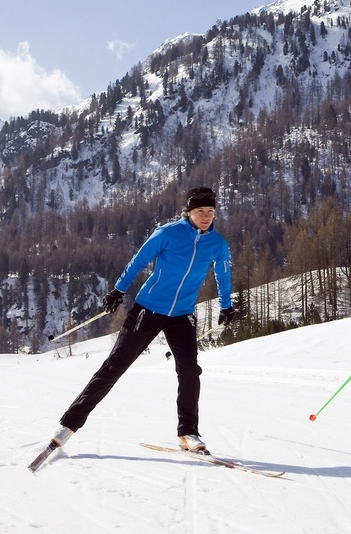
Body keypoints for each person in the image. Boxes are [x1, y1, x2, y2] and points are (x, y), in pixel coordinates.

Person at [45, 186, 239, 454]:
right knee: (115, 366)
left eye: (210, 211)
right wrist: (118, 290)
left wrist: (226, 306)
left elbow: (223, 275)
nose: (206, 216)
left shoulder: (217, 244)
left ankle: (188, 432)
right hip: (148, 310)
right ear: (189, 212)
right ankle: (68, 424)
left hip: (182, 314)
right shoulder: (168, 233)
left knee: (189, 371)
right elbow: (138, 261)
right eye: (200, 211)